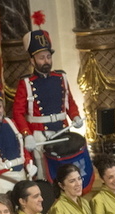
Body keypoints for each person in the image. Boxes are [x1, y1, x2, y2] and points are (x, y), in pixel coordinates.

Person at [12, 20, 82, 154]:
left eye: (48, 57)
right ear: (32, 61)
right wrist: (27, 134)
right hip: (39, 134)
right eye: (41, 58)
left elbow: (69, 103)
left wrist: (75, 116)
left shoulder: (61, 77)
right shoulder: (26, 82)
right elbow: (18, 113)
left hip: (62, 129)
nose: (46, 61)